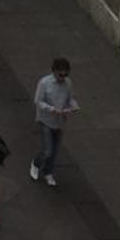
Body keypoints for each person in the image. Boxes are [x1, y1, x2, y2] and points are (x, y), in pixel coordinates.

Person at [30, 57, 80, 187]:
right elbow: (38, 101)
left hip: (59, 122)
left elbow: (71, 98)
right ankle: (36, 164)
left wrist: (74, 106)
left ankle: (48, 172)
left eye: (66, 74)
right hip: (45, 120)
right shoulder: (44, 83)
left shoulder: (68, 83)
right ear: (53, 71)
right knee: (48, 150)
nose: (63, 77)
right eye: (60, 74)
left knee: (55, 151)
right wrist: (52, 109)